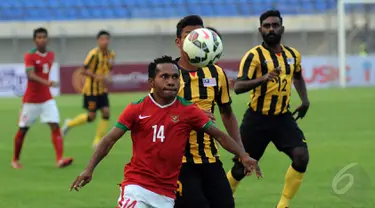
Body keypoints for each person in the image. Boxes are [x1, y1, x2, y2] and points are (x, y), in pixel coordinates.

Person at [70, 56, 261, 208]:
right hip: (137, 188)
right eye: (165, 77)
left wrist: (243, 156)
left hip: (167, 194)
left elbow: (218, 135)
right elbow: (109, 139)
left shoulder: (188, 111)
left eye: (175, 77)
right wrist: (89, 169)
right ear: (151, 81)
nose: (171, 81)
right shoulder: (137, 109)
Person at [226, 10, 310, 208]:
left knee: (301, 156)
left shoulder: (292, 55)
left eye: (275, 25)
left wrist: (305, 100)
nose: (271, 29)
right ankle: (221, 200)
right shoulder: (253, 56)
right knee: (241, 168)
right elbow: (238, 87)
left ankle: (283, 205)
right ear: (260, 29)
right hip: (257, 119)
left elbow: (297, 76)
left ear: (282, 28)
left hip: (282, 117)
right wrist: (263, 78)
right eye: (267, 26)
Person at [171, 15, 253, 208]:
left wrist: (241, 151)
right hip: (178, 161)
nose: (195, 39)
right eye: (189, 34)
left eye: (199, 34)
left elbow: (226, 113)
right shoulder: (167, 73)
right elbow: (155, 117)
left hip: (210, 157)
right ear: (178, 41)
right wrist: (189, 117)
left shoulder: (216, 73)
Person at [12, 28, 73, 169]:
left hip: (46, 98)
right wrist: (47, 83)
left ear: (47, 39)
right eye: (38, 37)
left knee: (55, 126)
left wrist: (47, 85)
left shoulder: (51, 55)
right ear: (34, 40)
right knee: (23, 129)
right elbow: (30, 75)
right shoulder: (30, 56)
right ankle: (15, 159)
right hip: (31, 100)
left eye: (44, 37)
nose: (41, 39)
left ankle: (59, 160)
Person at [62, 30, 116, 147]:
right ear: (98, 41)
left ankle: (97, 141)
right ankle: (69, 123)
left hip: (102, 90)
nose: (105, 42)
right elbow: (83, 70)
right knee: (91, 116)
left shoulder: (111, 54)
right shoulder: (94, 54)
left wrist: (108, 78)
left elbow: (108, 70)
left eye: (107, 39)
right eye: (102, 39)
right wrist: (96, 76)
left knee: (106, 112)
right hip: (90, 91)